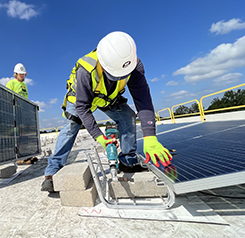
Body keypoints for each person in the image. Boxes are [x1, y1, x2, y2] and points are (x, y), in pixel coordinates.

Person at [41, 31, 172, 192]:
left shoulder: (133, 65)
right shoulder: (86, 68)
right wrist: (99, 137)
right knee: (70, 128)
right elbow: (82, 108)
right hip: (80, 99)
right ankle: (52, 172)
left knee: (127, 116)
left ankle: (128, 161)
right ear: (103, 63)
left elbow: (143, 101)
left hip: (108, 97)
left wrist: (150, 136)